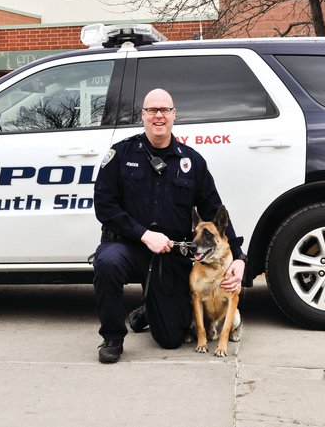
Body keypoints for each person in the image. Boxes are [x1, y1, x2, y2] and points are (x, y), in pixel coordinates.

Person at [92, 88, 246, 363]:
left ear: (174, 115)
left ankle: (147, 312)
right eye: (152, 110)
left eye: (164, 110)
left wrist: (239, 256)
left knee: (172, 339)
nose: (158, 116)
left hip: (171, 255)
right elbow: (105, 206)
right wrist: (143, 234)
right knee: (107, 263)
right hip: (129, 246)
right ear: (143, 115)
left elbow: (214, 211)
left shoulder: (192, 162)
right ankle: (113, 337)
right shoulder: (121, 153)